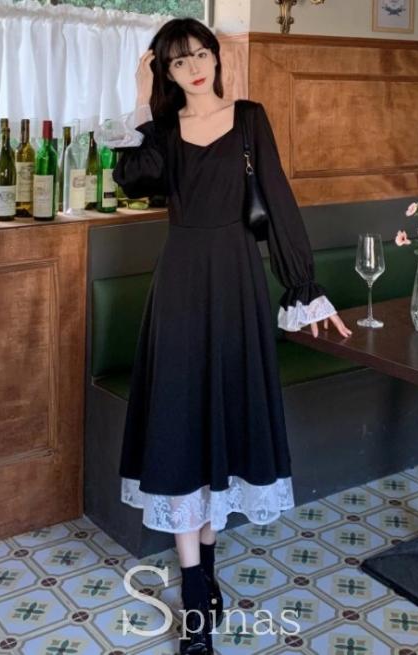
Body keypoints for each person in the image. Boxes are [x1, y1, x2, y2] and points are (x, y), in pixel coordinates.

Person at [109, 17, 352, 655]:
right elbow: (131, 177)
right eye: (177, 61)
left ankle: (206, 566)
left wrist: (305, 287)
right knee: (180, 422)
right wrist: (139, 99)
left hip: (239, 285)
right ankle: (195, 594)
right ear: (164, 72)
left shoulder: (249, 119)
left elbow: (279, 201)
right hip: (180, 288)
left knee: (225, 421)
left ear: (217, 58)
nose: (193, 68)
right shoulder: (163, 131)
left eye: (200, 54)